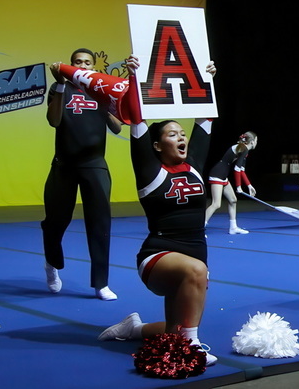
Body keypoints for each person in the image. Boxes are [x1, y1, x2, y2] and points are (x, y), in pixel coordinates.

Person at [99, 56, 219, 365]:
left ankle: (134, 328)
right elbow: (137, 122)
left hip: (192, 258)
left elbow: (205, 119)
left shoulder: (193, 165)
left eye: (182, 133)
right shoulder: (150, 171)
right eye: (171, 134)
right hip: (158, 258)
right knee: (196, 271)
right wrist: (135, 78)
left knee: (171, 330)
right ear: (157, 145)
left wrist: (206, 80)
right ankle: (191, 347)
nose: (180, 137)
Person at [42, 48, 120, 301]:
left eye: (87, 62)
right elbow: (54, 121)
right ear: (70, 65)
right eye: (78, 62)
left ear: (93, 68)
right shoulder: (59, 88)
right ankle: (52, 264)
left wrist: (105, 101)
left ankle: (101, 283)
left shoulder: (100, 91)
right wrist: (61, 86)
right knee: (55, 220)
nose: (82, 65)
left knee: (100, 224)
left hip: (94, 164)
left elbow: (117, 128)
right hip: (64, 164)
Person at [204, 131, 258, 234]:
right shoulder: (243, 149)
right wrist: (238, 187)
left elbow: (241, 170)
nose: (256, 143)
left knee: (233, 200)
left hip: (223, 176)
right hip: (217, 174)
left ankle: (233, 228)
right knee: (216, 204)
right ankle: (199, 230)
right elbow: (236, 169)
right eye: (256, 141)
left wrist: (249, 185)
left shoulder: (243, 149)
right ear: (252, 141)